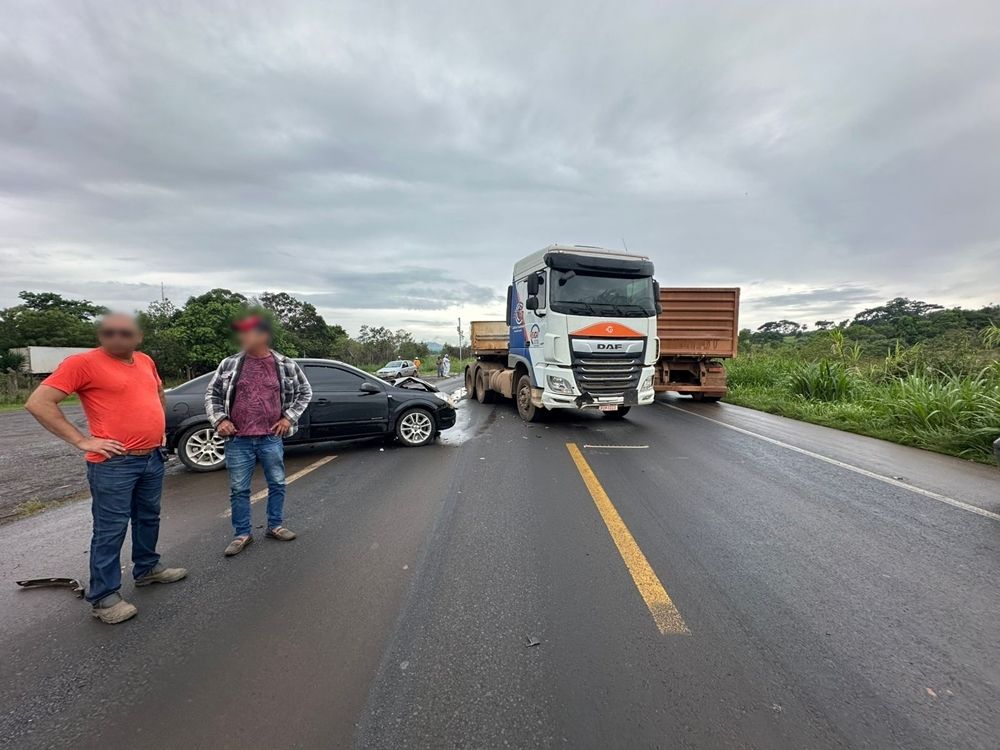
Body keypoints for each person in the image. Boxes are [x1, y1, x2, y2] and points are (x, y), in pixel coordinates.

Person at [25, 313, 187, 624]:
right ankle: (104, 597)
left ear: (137, 337)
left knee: (148, 517)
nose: (117, 338)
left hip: (151, 456)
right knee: (110, 529)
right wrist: (83, 441)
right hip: (114, 463)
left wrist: (160, 429)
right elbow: (39, 403)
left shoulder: (144, 360)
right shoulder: (82, 363)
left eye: (125, 333)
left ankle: (147, 568)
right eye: (109, 332)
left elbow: (158, 393)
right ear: (101, 335)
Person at [206, 314, 312, 557]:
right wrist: (220, 419)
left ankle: (275, 526)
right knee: (238, 488)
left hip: (270, 437)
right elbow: (212, 394)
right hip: (238, 439)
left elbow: (305, 392)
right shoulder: (230, 364)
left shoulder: (285, 364)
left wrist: (288, 418)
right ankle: (242, 534)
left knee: (277, 483)